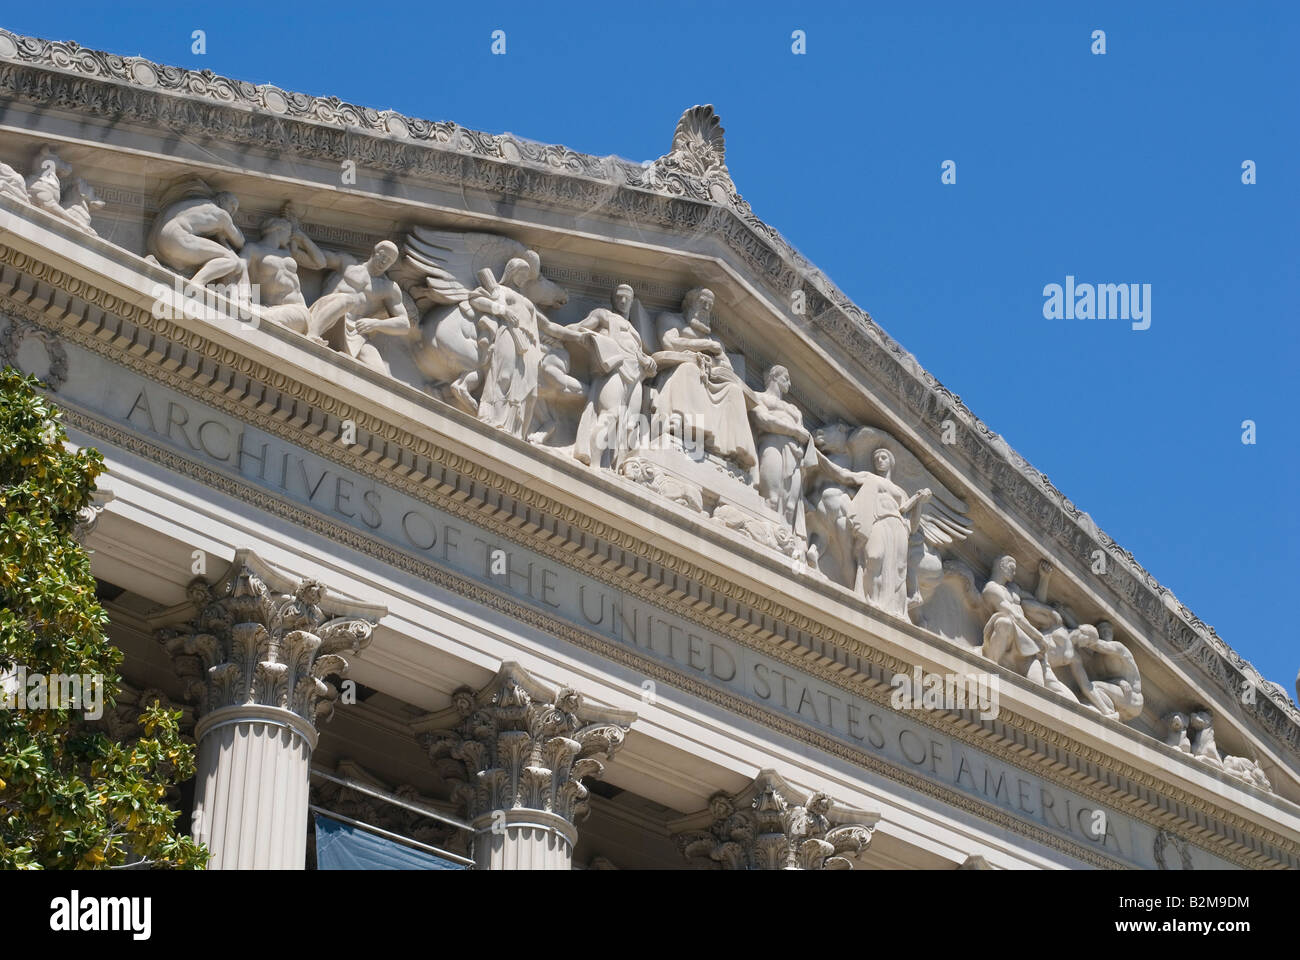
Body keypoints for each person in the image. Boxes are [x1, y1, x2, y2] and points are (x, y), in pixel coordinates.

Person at [651, 288, 756, 477]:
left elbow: (726, 366)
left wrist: (713, 361)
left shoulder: (714, 339)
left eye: (710, 305)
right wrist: (705, 347)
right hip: (677, 373)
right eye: (703, 302)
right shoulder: (670, 320)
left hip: (710, 380)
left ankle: (731, 451)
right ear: (689, 303)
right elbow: (670, 343)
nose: (707, 308)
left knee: (733, 391)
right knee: (690, 370)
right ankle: (684, 427)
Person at [573, 284, 656, 468]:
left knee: (630, 425)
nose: (623, 301)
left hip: (636, 377)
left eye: (627, 297)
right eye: (619, 297)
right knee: (610, 415)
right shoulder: (603, 315)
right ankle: (595, 466)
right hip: (615, 370)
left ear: (632, 301)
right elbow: (578, 329)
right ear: (613, 299)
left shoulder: (635, 332)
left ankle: (617, 467)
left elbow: (638, 354)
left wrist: (649, 364)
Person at [848, 447, 930, 618]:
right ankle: (869, 599)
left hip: (899, 529)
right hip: (879, 523)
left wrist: (920, 502)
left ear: (891, 462)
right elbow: (846, 476)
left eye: (883, 457)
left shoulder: (902, 492)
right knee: (874, 557)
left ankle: (892, 608)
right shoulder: (872, 479)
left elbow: (913, 527)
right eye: (876, 458)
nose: (879, 460)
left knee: (899, 569)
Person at [307, 240, 410, 374]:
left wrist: (376, 324)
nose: (384, 262)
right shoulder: (348, 263)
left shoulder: (389, 288)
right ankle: (312, 335)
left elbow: (404, 324)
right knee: (347, 300)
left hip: (355, 331)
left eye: (389, 261)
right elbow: (317, 259)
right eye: (383, 256)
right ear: (374, 252)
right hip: (326, 315)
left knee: (380, 374)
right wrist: (301, 239)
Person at [239, 205, 326, 334]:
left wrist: (301, 237)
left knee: (257, 321)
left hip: (296, 310)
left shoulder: (288, 252)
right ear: (278, 229)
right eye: (288, 232)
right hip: (265, 307)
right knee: (254, 319)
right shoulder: (253, 249)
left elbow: (320, 263)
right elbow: (239, 268)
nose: (290, 236)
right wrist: (243, 298)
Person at [750, 365, 810, 530]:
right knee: (772, 498)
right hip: (772, 444)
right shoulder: (759, 397)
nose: (789, 384)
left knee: (790, 507)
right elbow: (763, 420)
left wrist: (798, 437)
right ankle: (764, 532)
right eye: (786, 378)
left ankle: (786, 544)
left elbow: (804, 436)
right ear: (774, 376)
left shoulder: (795, 410)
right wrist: (795, 431)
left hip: (794, 454)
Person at [148, 191, 245, 289]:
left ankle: (161, 266)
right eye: (232, 208)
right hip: (178, 238)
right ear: (223, 200)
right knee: (231, 260)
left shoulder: (199, 203)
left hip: (157, 239)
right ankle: (197, 283)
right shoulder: (222, 215)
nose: (232, 214)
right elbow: (240, 241)